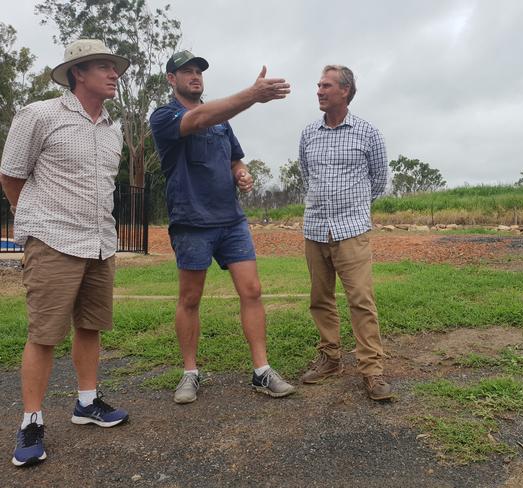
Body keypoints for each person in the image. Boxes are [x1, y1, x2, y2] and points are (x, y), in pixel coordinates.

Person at [0, 39, 130, 467]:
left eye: (115, 67)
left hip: (99, 242)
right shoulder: (39, 114)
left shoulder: (114, 128)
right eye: (104, 67)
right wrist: (37, 222)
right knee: (44, 334)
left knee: (90, 325)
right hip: (53, 241)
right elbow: (11, 175)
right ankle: (32, 421)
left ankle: (87, 402)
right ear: (78, 73)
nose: (114, 73)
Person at [149, 50, 295, 403]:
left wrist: (241, 173)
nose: (195, 76)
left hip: (231, 221)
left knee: (252, 290)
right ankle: (189, 373)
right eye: (186, 71)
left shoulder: (222, 120)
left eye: (198, 71)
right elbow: (197, 119)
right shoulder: (165, 115)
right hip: (192, 221)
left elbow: (234, 158)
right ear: (171, 79)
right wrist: (252, 94)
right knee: (190, 298)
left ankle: (261, 371)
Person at [298, 65, 393, 401]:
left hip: (351, 231)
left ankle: (372, 372)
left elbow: (378, 181)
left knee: (361, 301)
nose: (319, 90)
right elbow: (306, 175)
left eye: (326, 85)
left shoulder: (368, 133)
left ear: (346, 91)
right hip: (315, 229)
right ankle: (331, 358)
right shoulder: (309, 133)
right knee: (320, 299)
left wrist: (352, 209)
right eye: (318, 85)